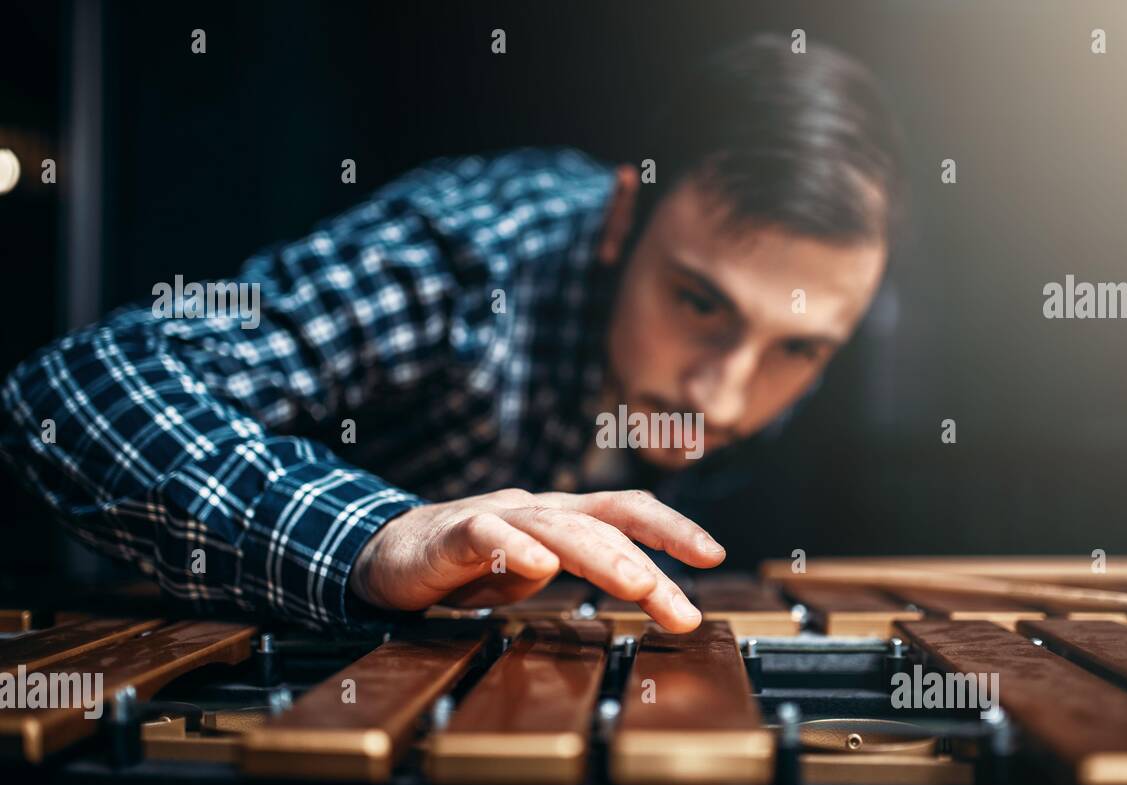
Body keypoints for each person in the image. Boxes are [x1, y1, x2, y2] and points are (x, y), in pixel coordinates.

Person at [0, 33, 903, 634]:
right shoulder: (469, 256)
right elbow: (77, 386)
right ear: (625, 217)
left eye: (798, 350)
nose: (723, 396)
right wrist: (375, 535)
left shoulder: (781, 330)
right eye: (700, 304)